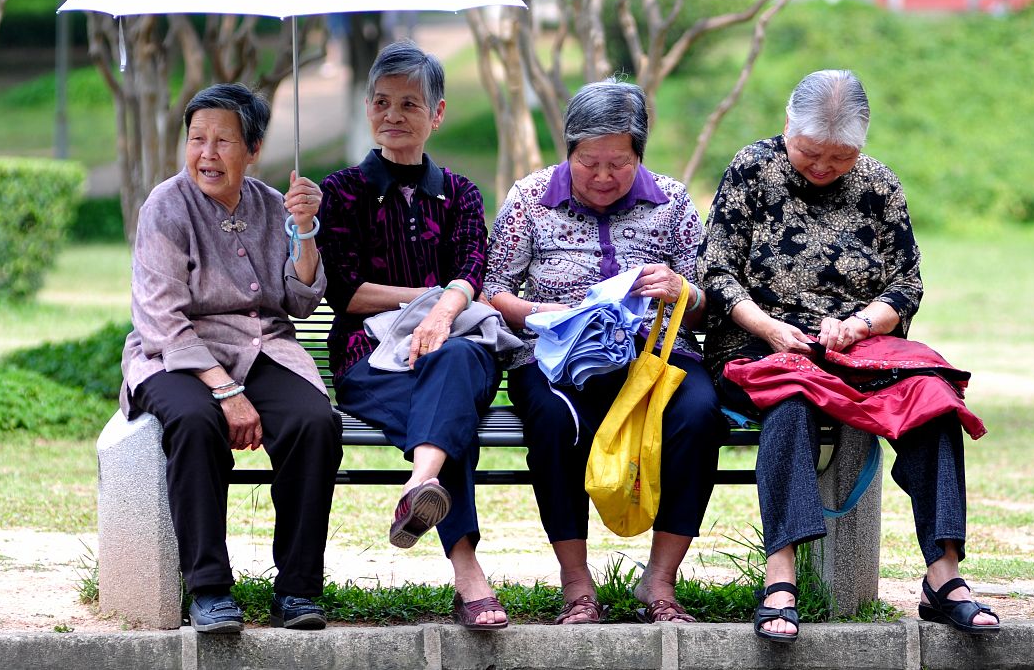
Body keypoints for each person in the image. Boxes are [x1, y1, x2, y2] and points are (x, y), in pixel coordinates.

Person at [696, 70, 1000, 642]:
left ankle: (944, 577)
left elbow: (906, 285)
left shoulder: (879, 184)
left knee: (933, 399)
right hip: (761, 344)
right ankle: (780, 576)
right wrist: (771, 328)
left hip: (856, 349)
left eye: (839, 158)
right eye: (810, 153)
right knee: (789, 400)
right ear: (787, 126)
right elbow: (716, 273)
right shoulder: (751, 170)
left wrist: (859, 325)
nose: (823, 167)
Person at [485, 79, 722, 625]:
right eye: (588, 162)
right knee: (551, 421)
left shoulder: (673, 201)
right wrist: (550, 315)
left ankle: (659, 582)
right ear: (568, 152)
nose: (602, 176)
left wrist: (680, 290)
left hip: (654, 357)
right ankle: (577, 586)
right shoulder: (529, 198)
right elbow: (494, 289)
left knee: (698, 412)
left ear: (640, 155)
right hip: (553, 356)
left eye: (619, 163)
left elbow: (707, 303)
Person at [121, 83, 343, 633]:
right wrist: (226, 391)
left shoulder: (274, 205)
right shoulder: (165, 207)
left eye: (223, 141)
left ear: (255, 148)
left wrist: (307, 233)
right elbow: (163, 320)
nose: (207, 154)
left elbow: (299, 299)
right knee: (195, 422)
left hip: (264, 346)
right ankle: (209, 588)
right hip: (173, 354)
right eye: (197, 139)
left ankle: (297, 589)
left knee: (315, 423)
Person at [314, 40, 509, 631]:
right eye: (381, 102)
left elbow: (472, 268)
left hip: (454, 352)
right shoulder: (341, 189)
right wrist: (429, 302)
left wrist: (442, 313)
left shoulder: (461, 194)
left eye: (408, 104)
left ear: (437, 113)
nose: (392, 116)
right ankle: (468, 574)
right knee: (451, 422)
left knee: (452, 364)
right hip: (368, 361)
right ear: (368, 107)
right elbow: (344, 291)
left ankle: (419, 484)